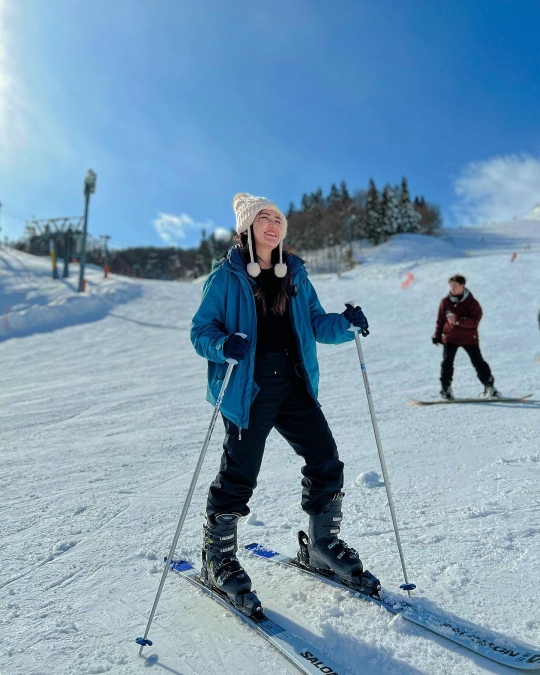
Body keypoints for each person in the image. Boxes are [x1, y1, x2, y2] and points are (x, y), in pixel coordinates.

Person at [191, 192, 379, 611]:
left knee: (325, 460)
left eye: (278, 219)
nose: (273, 225)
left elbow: (315, 323)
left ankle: (322, 544)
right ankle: (217, 558)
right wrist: (223, 344)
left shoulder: (294, 273)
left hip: (293, 385)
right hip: (248, 388)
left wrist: (344, 324)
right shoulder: (225, 276)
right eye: (264, 218)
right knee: (239, 474)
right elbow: (200, 331)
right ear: (248, 228)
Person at [432, 274, 499, 400]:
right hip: (450, 338)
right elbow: (440, 320)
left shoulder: (472, 303)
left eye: (455, 286)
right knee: (447, 363)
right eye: (451, 286)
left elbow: (475, 321)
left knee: (478, 362)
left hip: (469, 338)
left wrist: (458, 321)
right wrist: (437, 334)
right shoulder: (445, 302)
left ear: (463, 286)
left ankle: (490, 387)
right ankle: (446, 389)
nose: (452, 289)